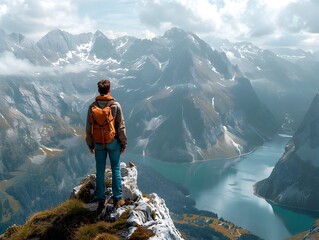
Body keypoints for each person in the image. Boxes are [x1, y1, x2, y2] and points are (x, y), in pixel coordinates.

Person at [86, 79, 127, 209]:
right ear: (109, 90)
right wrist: (123, 143)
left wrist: (90, 144)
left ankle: (100, 199)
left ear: (98, 90)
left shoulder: (92, 107)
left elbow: (88, 128)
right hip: (113, 141)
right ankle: (117, 198)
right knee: (115, 168)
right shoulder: (115, 105)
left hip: (98, 143)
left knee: (100, 170)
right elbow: (121, 126)